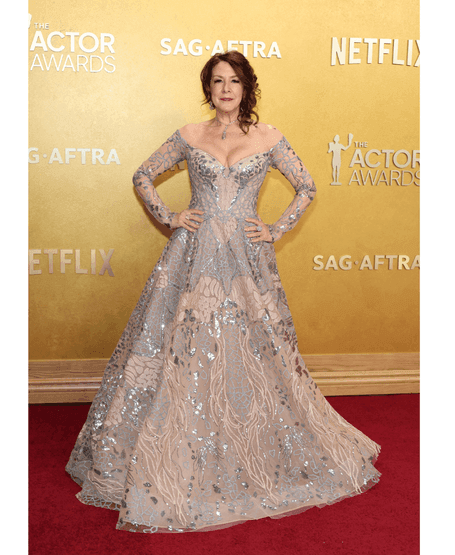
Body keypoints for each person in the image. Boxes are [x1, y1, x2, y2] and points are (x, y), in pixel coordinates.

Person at [65, 51, 381, 533]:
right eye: (217, 81)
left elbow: (307, 186)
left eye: (234, 81)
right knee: (179, 349)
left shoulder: (269, 136)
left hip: (246, 258)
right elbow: (142, 175)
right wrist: (170, 217)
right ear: (208, 88)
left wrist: (275, 229)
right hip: (193, 256)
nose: (226, 88)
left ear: (246, 87)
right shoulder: (191, 135)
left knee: (258, 351)